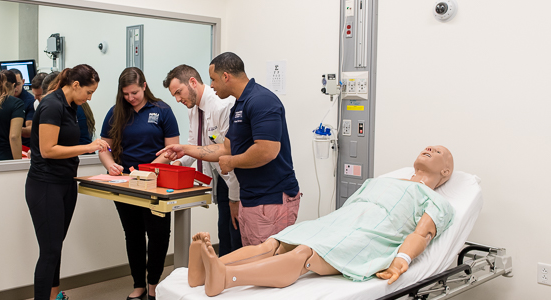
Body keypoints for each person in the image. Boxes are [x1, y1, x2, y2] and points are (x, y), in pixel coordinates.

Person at [188, 146, 455, 297]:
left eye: (438, 151)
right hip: (340, 222)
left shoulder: (436, 201)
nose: (429, 148)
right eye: (427, 147)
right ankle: (206, 268)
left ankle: (227, 277)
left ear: (446, 171)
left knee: (305, 253)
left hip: (371, 235)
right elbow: (350, 208)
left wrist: (402, 261)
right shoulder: (381, 181)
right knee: (274, 243)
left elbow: (421, 235)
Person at [158, 52, 301, 247]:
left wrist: (231, 162)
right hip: (251, 195)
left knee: (266, 260)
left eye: (214, 79)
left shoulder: (261, 101)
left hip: (271, 196)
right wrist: (184, 149)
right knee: (248, 257)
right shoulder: (239, 105)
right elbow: (226, 147)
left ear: (226, 76)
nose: (212, 85)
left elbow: (267, 151)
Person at [25, 64, 108, 300]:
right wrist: (90, 147)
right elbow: (48, 150)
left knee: (55, 247)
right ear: (75, 85)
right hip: (45, 184)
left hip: (64, 182)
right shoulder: (52, 104)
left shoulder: (70, 105)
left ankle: (53, 296)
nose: (90, 97)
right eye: (88, 92)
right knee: (49, 251)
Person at [98, 67, 180, 300]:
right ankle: (138, 284)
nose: (130, 98)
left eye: (134, 92)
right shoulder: (116, 112)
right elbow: (106, 146)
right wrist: (110, 162)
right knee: (133, 234)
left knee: (159, 234)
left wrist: (148, 170)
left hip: (156, 183)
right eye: (125, 94)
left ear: (144, 86)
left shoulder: (162, 110)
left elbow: (172, 149)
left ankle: (153, 283)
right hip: (126, 184)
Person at [162, 64, 242, 256]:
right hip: (220, 178)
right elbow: (194, 146)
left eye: (179, 92)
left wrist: (235, 198)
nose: (178, 99)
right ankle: (222, 276)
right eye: (174, 95)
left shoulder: (222, 106)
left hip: (236, 177)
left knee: (236, 232)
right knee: (224, 231)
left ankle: (236, 279)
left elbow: (229, 152)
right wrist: (179, 164)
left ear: (192, 82)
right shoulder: (193, 109)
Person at [9, 68, 37, 149]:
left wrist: (10, 128)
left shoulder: (30, 101)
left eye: (17, 84)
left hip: (24, 146)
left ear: (23, 82)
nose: (15, 88)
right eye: (11, 85)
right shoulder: (1, 100)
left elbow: (30, 129)